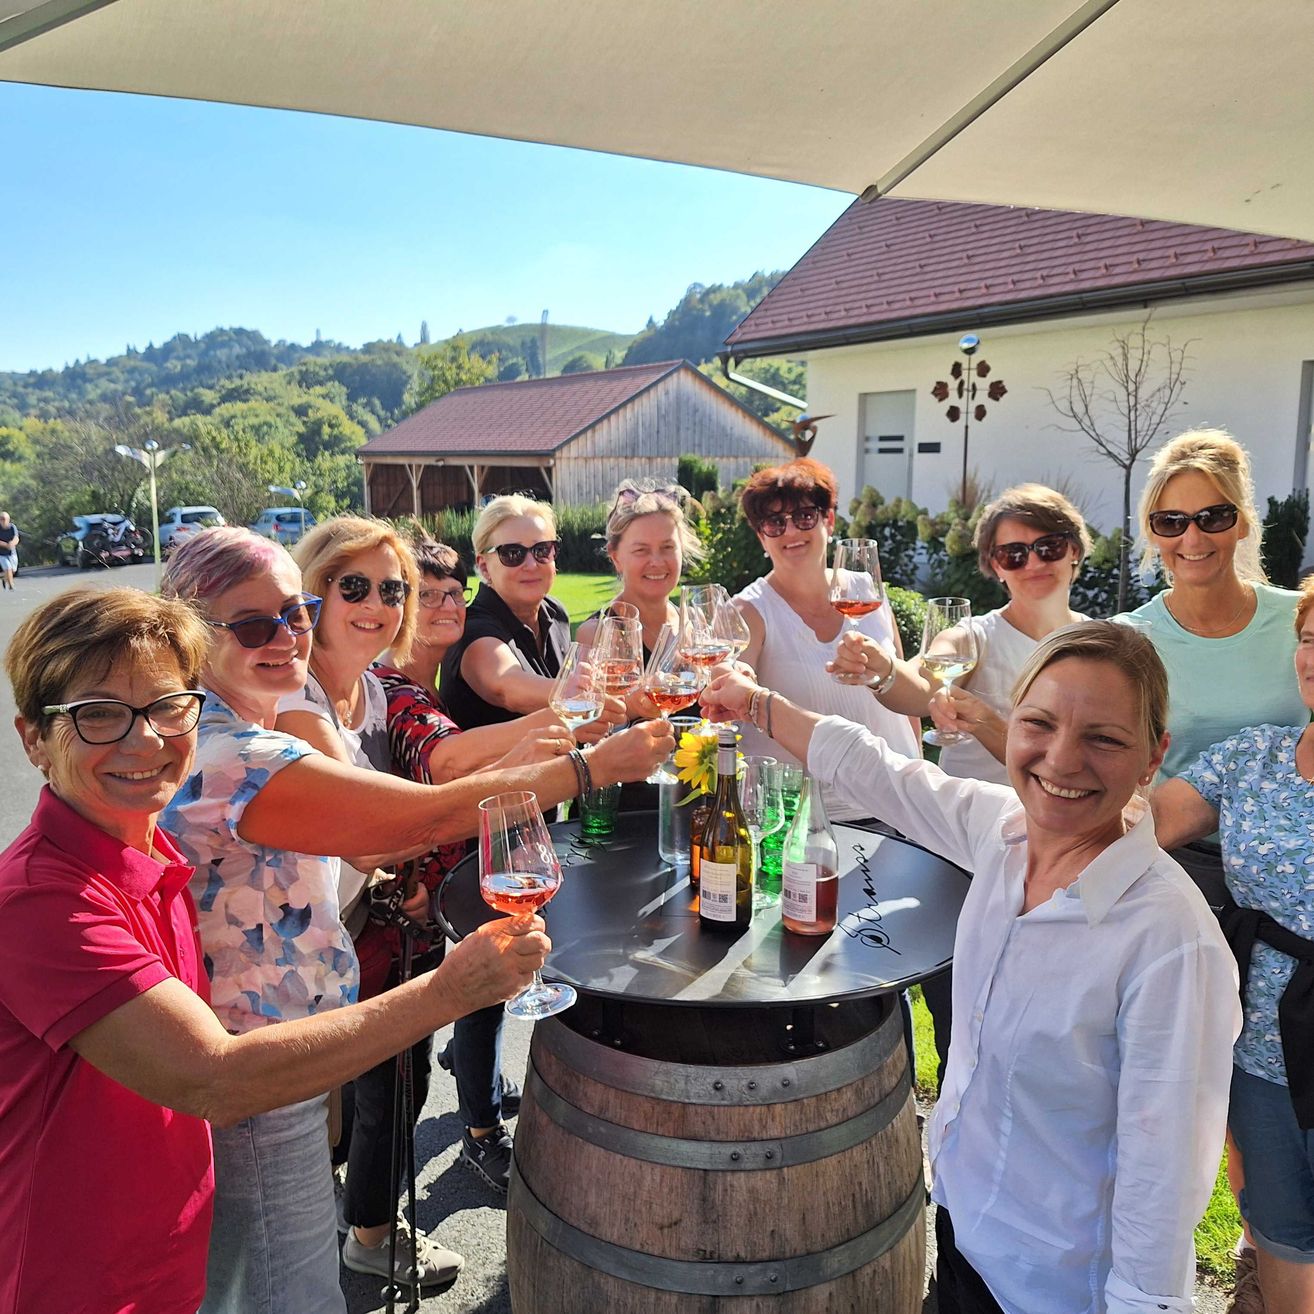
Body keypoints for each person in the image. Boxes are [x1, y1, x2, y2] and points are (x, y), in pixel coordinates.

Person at [159, 528, 670, 1313]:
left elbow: (439, 774)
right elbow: (404, 824)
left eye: (293, 613)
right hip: (257, 1066)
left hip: (283, 1048)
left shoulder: (243, 727)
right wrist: (585, 768)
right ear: (190, 632)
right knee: (290, 1292)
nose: (287, 635)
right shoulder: (234, 752)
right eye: (253, 624)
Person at [0, 586, 551, 1314]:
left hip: (169, 1252)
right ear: (34, 736)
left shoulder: (148, 848)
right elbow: (215, 1079)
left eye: (168, 706)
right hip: (79, 1279)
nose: (145, 742)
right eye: (99, 715)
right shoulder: (43, 900)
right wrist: (449, 992)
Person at [702, 620, 1240, 1314]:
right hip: (963, 1241)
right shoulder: (1003, 831)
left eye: (1103, 738)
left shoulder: (1170, 941)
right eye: (1040, 723)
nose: (1062, 759)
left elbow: (1163, 1175)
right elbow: (877, 768)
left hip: (1054, 1288)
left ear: (1152, 757)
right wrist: (752, 701)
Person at [372, 537, 568, 1195]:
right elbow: (445, 763)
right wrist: (570, 734)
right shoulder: (396, 689)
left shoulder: (437, 674)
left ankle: (470, 1078)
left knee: (437, 1039)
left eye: (453, 592)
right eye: (423, 594)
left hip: (449, 875)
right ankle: (474, 1143)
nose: (447, 604)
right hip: (412, 897)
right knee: (396, 1075)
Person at [1153, 575, 1314, 1314]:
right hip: (1263, 1052)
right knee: (1280, 1237)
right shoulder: (1253, 757)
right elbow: (1129, 827)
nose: (1313, 655)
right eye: (1309, 637)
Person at [732, 457, 920, 824]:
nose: (790, 532)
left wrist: (918, 766)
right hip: (815, 820)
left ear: (828, 521)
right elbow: (736, 677)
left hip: (903, 804)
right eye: (774, 523)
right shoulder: (750, 610)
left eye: (804, 516)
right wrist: (733, 674)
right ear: (761, 536)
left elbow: (902, 686)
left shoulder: (867, 588)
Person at [441, 494, 606, 730]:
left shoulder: (555, 613)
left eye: (542, 550)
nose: (531, 564)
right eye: (512, 553)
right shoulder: (472, 628)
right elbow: (507, 687)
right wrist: (577, 692)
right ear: (485, 566)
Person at [575, 479, 702, 659]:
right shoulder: (598, 635)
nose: (657, 562)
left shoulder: (695, 623)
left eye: (667, 547)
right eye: (641, 550)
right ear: (616, 557)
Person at [0, 511, 20, 589]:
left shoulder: (12, 527)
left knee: (13, 570)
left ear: (8, 519)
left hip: (12, 553)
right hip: (2, 554)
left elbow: (16, 538)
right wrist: (5, 545)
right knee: (8, 568)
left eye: (4, 519)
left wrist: (12, 543)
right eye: (1, 519)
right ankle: (11, 585)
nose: (3, 521)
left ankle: (4, 578)